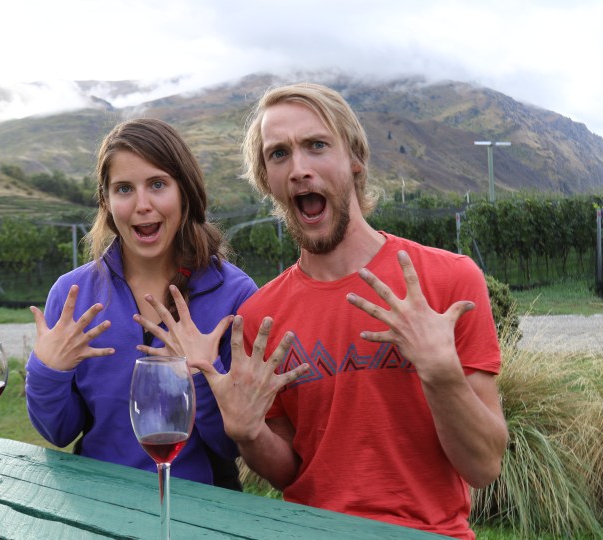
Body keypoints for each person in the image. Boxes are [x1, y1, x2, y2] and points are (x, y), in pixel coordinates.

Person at [137, 83, 508, 539]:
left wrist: (441, 373)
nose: (299, 169)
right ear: (266, 180)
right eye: (278, 155)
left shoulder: (448, 281)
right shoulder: (261, 316)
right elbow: (291, 472)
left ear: (354, 159)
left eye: (316, 145)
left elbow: (484, 466)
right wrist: (249, 433)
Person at [24, 118, 257, 489]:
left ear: (186, 191)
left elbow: (234, 447)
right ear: (106, 201)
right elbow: (58, 431)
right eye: (124, 189)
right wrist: (48, 371)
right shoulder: (73, 296)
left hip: (200, 512)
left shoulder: (235, 295)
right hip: (99, 506)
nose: (142, 205)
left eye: (158, 184)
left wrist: (201, 377)